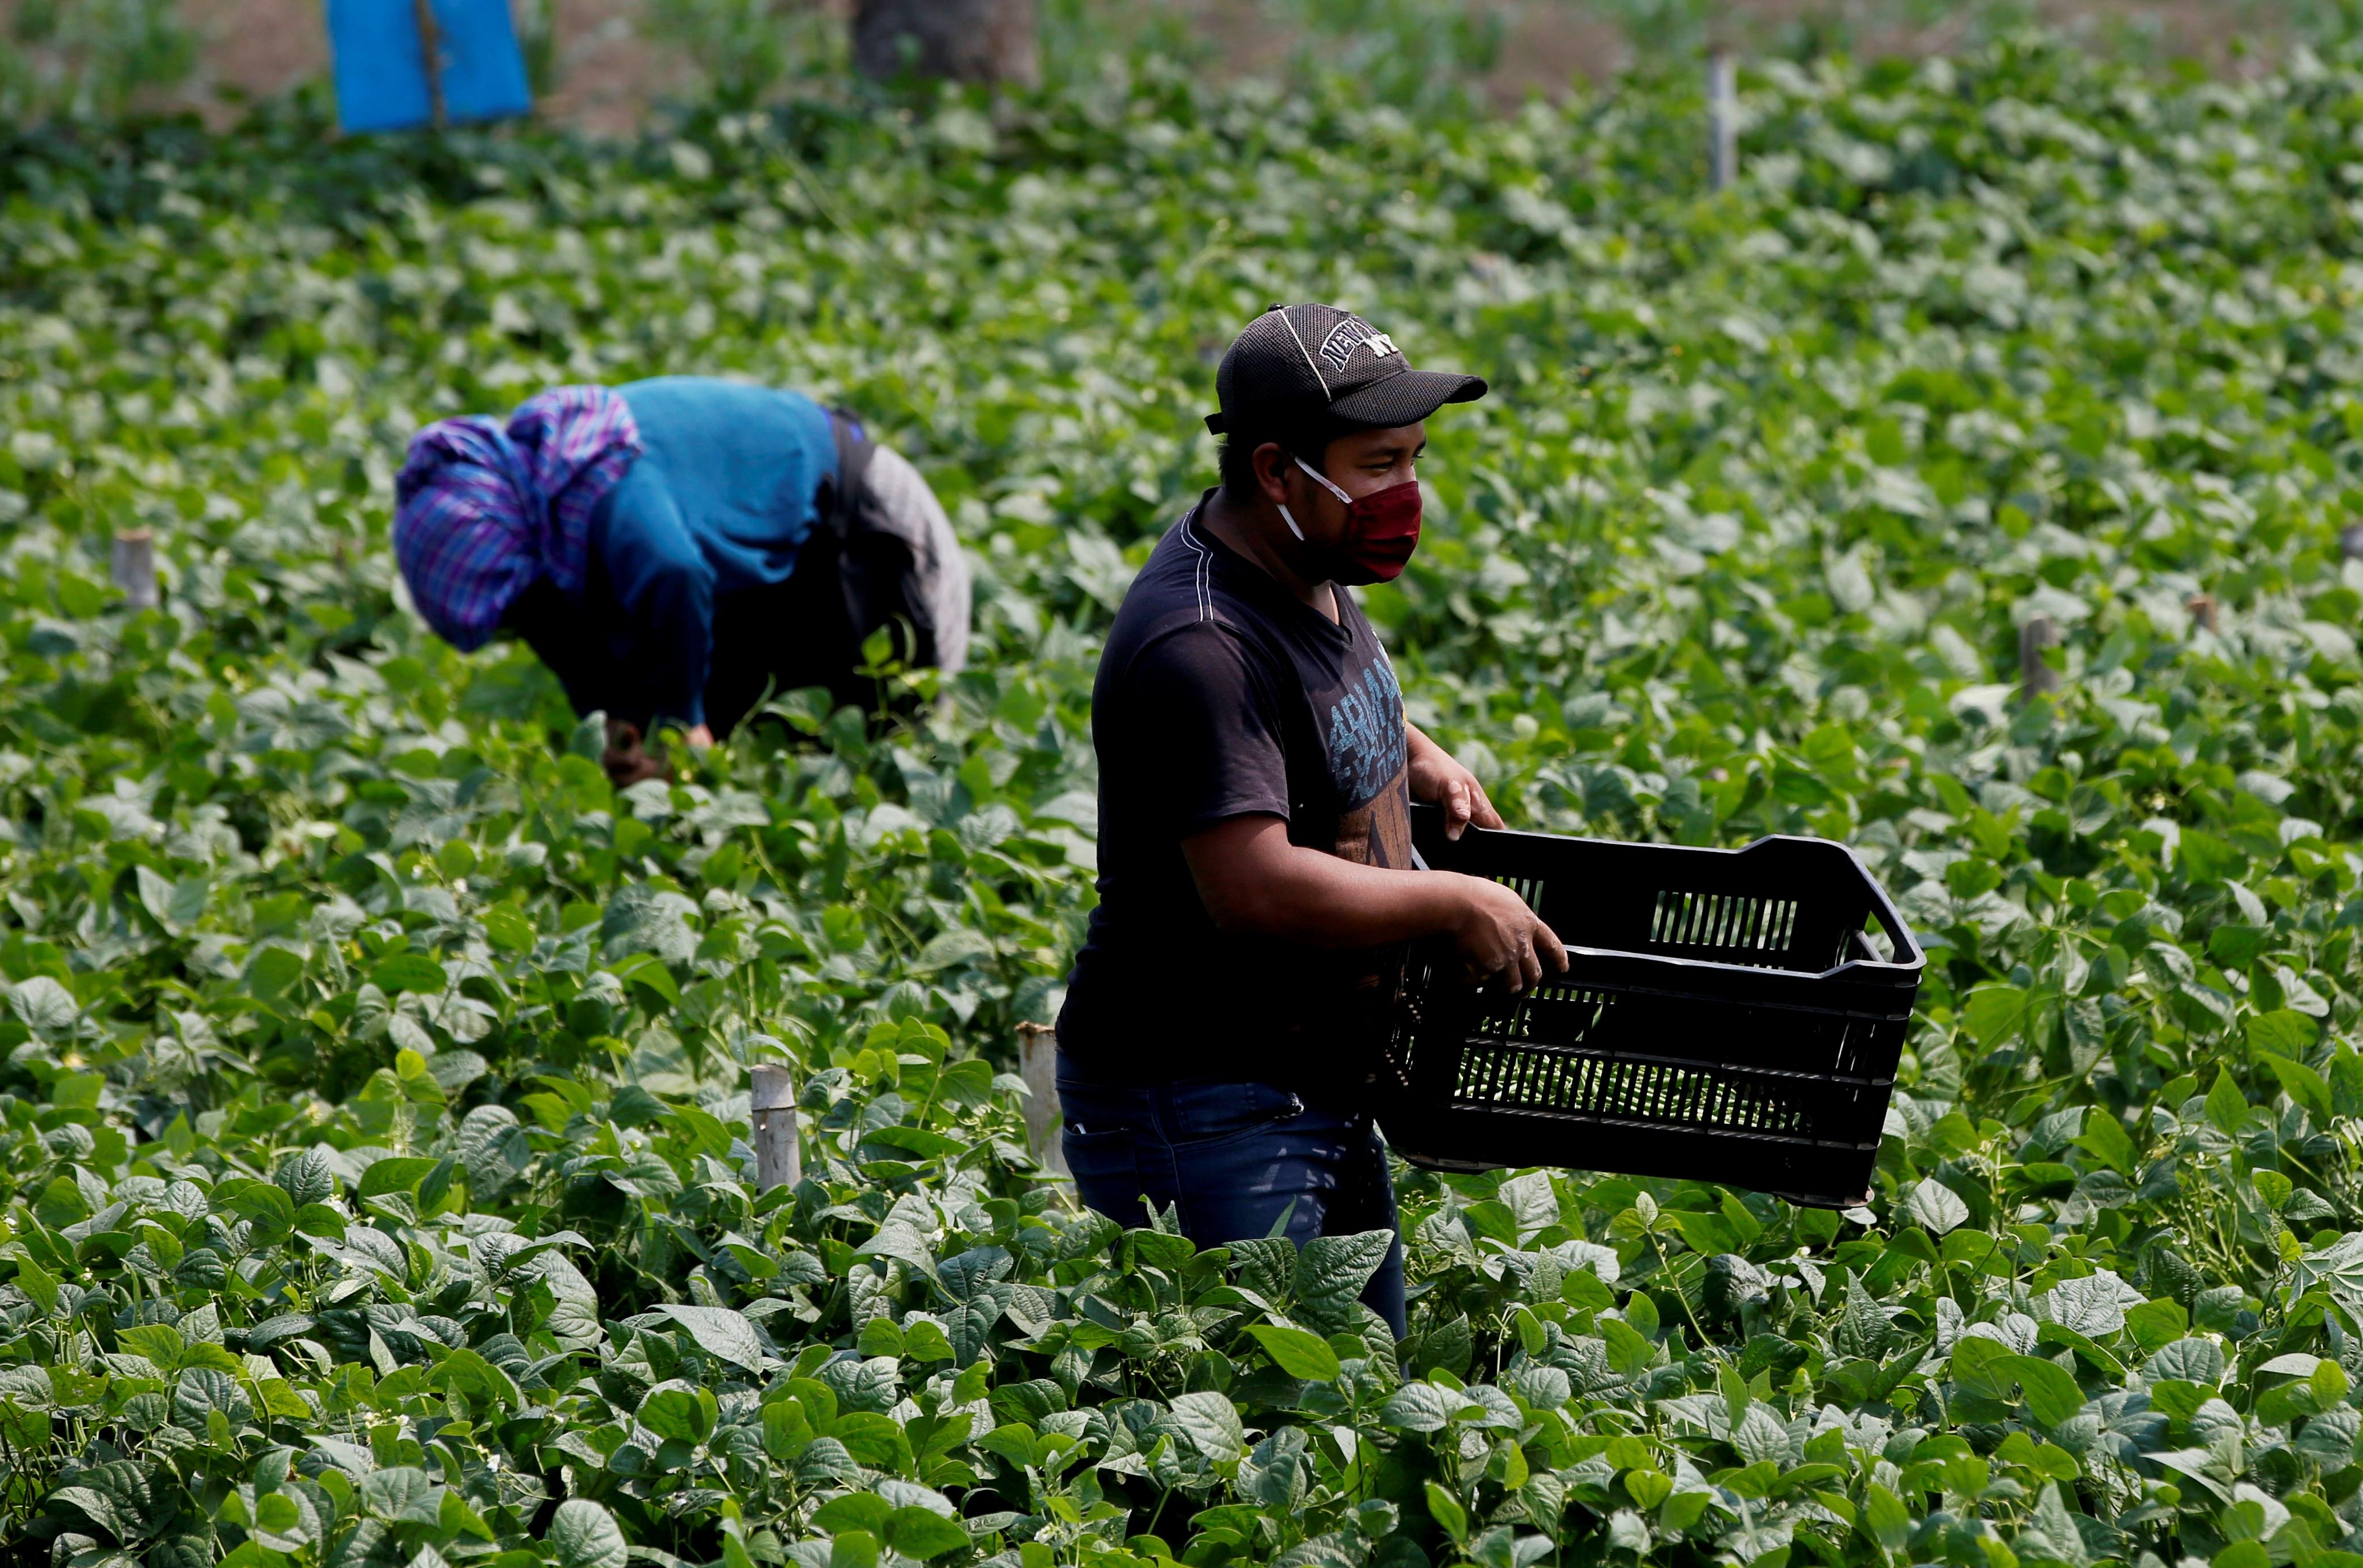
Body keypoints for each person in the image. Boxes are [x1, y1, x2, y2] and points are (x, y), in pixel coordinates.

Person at [1054, 303, 1563, 1337]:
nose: (1407, 493)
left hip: (1309, 1078)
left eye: (1415, 458)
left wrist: (1417, 757)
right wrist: (1451, 899)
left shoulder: (1304, 564)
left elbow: (1321, 696)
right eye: (1378, 464)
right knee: (1257, 1434)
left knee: (1355, 1402)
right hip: (1204, 1099)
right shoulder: (1199, 643)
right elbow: (1253, 888)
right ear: (1279, 471)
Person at [391, 376, 971, 781]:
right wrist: (626, 726)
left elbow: (674, 573)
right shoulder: (544, 524)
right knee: (761, 762)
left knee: (882, 753)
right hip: (794, 577)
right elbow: (574, 646)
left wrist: (680, 720)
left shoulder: (596, 466)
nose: (525, 626)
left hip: (882, 540)